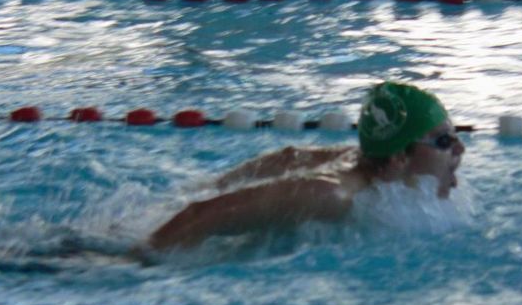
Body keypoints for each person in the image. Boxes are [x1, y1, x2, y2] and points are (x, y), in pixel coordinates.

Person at [143, 81, 465, 251]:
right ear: (399, 158)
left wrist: (210, 185)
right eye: (444, 141)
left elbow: (290, 155)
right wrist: (139, 260)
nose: (460, 148)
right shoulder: (333, 194)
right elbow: (200, 215)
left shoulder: (365, 160)